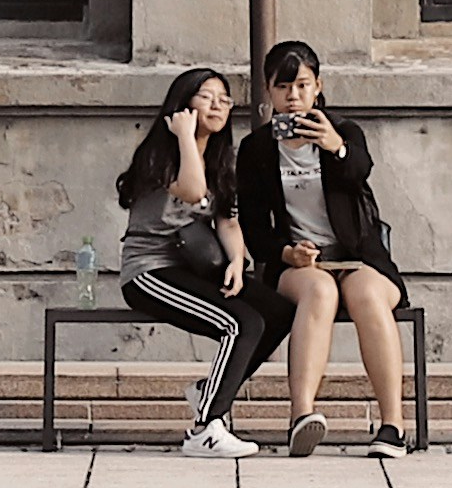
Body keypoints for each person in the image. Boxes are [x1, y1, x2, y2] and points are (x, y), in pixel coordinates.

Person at [225, 38, 412, 456]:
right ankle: (302, 416)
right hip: (297, 262)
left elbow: (360, 171)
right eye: (283, 87)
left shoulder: (343, 131)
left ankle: (392, 426)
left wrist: (336, 148)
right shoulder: (256, 149)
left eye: (303, 86)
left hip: (359, 256)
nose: (293, 98)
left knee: (364, 294)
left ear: (318, 87)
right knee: (320, 290)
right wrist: (286, 253)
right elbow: (253, 225)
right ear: (268, 92)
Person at [111, 64, 274, 460]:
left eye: (224, 98)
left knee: (278, 311)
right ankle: (205, 428)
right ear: (183, 104)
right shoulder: (158, 152)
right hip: (150, 271)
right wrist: (184, 134)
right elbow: (193, 189)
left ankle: (208, 393)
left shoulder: (222, 158)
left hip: (195, 267)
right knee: (241, 323)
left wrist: (237, 260)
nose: (218, 105)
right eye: (207, 97)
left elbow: (227, 221)